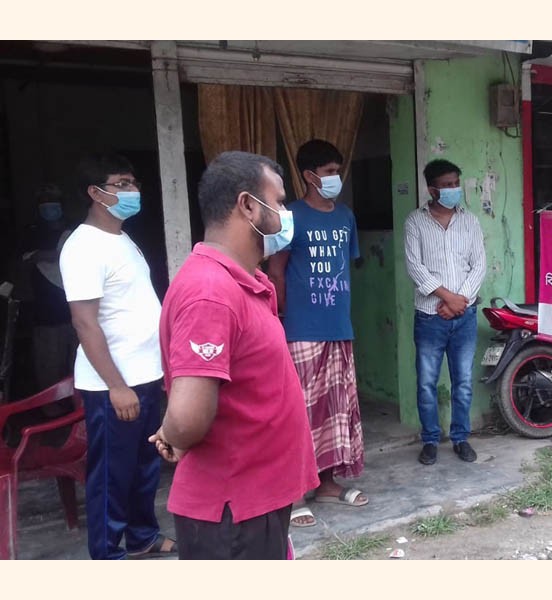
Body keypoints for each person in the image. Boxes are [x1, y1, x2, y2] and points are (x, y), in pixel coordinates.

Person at [150, 151, 319, 560]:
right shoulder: (211, 293)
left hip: (256, 500)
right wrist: (172, 434)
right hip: (234, 511)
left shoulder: (244, 282)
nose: (286, 214)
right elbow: (188, 419)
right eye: (279, 202)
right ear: (248, 206)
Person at [59, 154, 175, 560]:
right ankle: (107, 555)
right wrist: (117, 386)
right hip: (113, 385)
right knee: (112, 473)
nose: (132, 191)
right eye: (121, 184)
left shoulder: (123, 240)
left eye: (133, 182)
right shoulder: (83, 247)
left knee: (145, 466)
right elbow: (84, 322)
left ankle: (142, 537)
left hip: (145, 376)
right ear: (95, 193)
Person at [267, 139, 365, 529]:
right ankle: (293, 492)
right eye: (328, 172)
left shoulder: (345, 216)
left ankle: (326, 483)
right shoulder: (289, 216)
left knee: (336, 410)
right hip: (301, 329)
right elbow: (276, 271)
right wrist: (283, 317)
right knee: (300, 412)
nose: (335, 178)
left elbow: (346, 267)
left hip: (338, 327)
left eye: (337, 171)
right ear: (309, 176)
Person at [403, 159, 486, 466]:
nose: (453, 189)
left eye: (456, 183)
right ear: (432, 189)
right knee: (426, 382)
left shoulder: (470, 221)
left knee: (462, 381)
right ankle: (430, 440)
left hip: (464, 317)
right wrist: (448, 298)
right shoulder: (415, 222)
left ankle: (461, 438)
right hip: (430, 316)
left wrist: (460, 301)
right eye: (447, 185)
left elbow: (479, 265)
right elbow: (415, 267)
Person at [21, 184, 77, 394]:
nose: (49, 208)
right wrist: (50, 255)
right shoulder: (32, 232)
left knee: (78, 362)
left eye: (53, 203)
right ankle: (50, 405)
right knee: (49, 363)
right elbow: (27, 258)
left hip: (75, 309)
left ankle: (78, 402)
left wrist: (47, 256)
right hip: (46, 312)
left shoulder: (74, 229)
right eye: (45, 204)